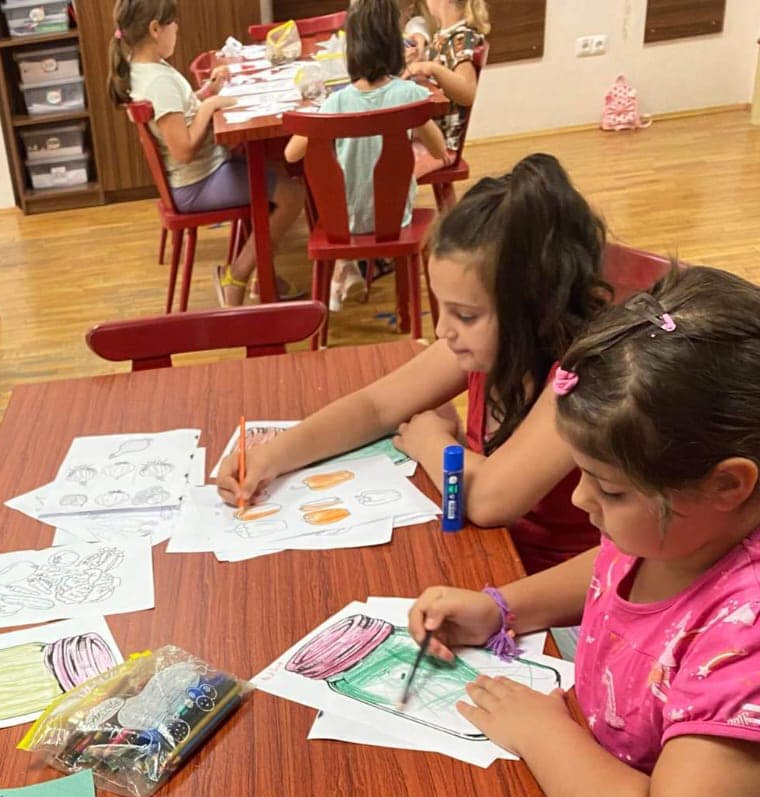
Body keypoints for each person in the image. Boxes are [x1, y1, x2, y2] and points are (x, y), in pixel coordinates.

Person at [407, 266, 760, 797]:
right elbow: (613, 565)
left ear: (729, 485)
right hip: (609, 792)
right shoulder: (676, 532)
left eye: (610, 488)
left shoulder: (747, 634)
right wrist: (502, 607)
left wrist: (542, 731)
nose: (578, 499)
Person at [218, 153, 610, 573]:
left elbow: (488, 500)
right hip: (488, 554)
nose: (442, 330)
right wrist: (271, 456)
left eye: (465, 315)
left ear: (533, 308)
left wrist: (431, 441)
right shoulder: (488, 345)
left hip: (560, 591)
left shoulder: (584, 377)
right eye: (442, 307)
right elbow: (377, 406)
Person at [107, 0, 305, 307]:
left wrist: (206, 93)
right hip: (197, 183)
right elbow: (183, 150)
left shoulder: (145, 68)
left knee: (276, 170)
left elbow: (179, 114)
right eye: (172, 23)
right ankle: (236, 276)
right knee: (293, 195)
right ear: (155, 29)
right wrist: (210, 106)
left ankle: (265, 276)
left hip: (203, 173)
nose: (177, 28)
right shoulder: (159, 81)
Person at [283, 0, 445, 312]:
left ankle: (344, 270)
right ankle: (355, 276)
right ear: (394, 45)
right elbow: (439, 150)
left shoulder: (336, 102)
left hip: (343, 224)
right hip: (395, 220)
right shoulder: (410, 95)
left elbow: (291, 154)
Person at [405, 0, 488, 161]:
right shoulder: (444, 35)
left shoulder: (461, 38)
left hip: (441, 144)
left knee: (387, 162)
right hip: (431, 136)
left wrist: (432, 68)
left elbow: (468, 92)